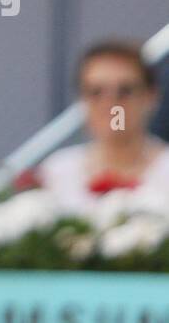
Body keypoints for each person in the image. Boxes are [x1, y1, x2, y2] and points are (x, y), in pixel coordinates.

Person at [37, 40, 169, 214]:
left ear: (151, 96)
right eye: (96, 92)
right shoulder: (57, 172)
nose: (110, 104)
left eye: (124, 91)